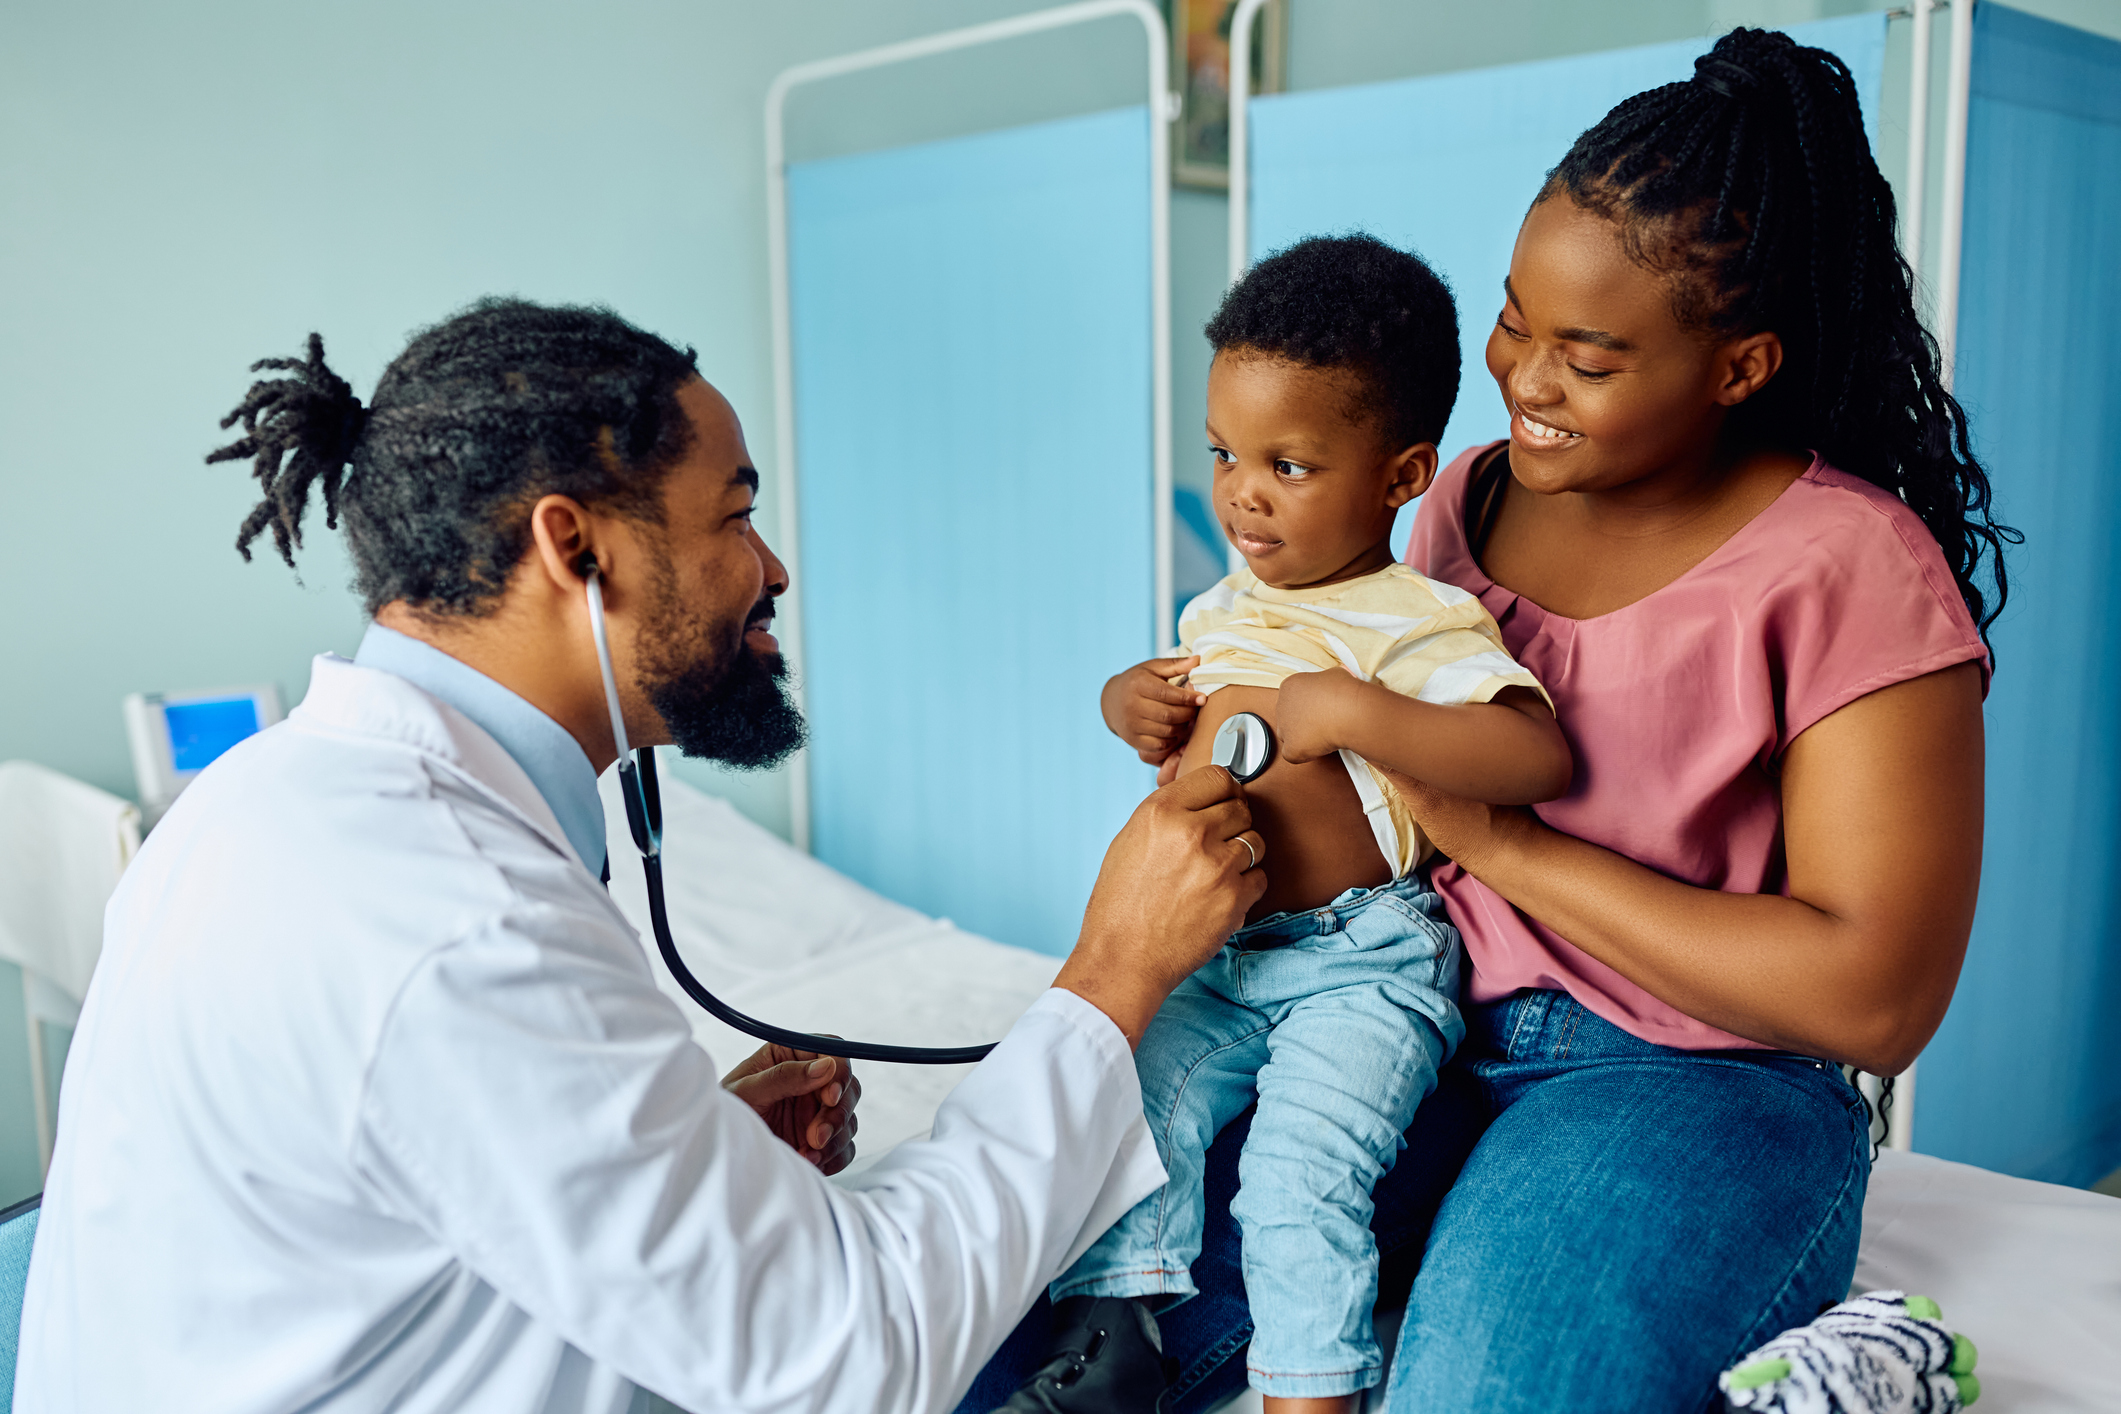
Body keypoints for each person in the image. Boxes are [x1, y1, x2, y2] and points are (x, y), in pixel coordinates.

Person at [962, 27, 2010, 1414]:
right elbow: (1346, 705)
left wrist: (1494, 840)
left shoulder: (1850, 566)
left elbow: (1875, 996)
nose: (1521, 379)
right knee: (1044, 1334)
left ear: (1740, 366)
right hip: (1399, 1008)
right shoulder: (1464, 496)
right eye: (1516, 318)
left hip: (1681, 1084)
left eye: (1587, 356)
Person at [16, 300, 1273, 1414]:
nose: (772, 569)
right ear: (577, 550)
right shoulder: (459, 921)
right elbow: (850, 1359)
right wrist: (1115, 968)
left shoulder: (262, 801)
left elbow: (426, 1193)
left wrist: (689, 1161)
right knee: (1210, 1253)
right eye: (736, 515)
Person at [999, 236, 1570, 1414]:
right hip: (1220, 954)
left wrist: (1363, 709)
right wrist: (1132, 704)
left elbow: (1534, 752)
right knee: (1127, 1107)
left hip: (1361, 964)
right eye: (1224, 453)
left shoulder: (1418, 620)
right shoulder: (1222, 602)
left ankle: (1308, 1393)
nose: (1242, 492)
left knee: (1299, 1175)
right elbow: (1177, 704)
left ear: (1402, 474)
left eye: (1291, 464)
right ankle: (1117, 1336)